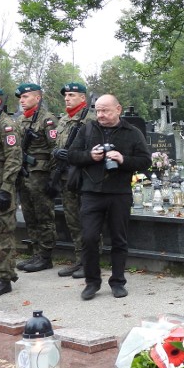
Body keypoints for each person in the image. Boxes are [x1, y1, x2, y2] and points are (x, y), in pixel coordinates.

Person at [68, 94, 151, 300]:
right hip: (91, 193)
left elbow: (145, 161)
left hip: (119, 193)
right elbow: (71, 155)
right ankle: (92, 282)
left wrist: (123, 159)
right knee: (88, 238)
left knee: (119, 239)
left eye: (105, 110)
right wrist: (90, 156)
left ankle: (117, 281)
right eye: (98, 111)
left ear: (118, 109)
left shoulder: (132, 132)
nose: (101, 115)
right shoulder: (87, 129)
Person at [52, 82, 96, 278]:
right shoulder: (63, 120)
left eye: (71, 95)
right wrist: (56, 152)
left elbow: (95, 149)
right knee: (72, 220)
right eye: (66, 95)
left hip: (84, 176)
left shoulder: (91, 120)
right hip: (65, 176)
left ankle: (91, 261)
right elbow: (55, 143)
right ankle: (79, 259)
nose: (67, 98)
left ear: (83, 98)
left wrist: (71, 155)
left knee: (88, 220)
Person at [14, 83, 58, 273]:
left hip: (40, 175)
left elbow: (55, 150)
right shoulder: (20, 120)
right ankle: (36, 253)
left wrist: (53, 178)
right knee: (29, 215)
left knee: (43, 215)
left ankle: (46, 256)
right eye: (21, 98)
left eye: (26, 97)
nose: (22, 101)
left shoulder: (47, 120)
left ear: (37, 98)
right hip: (24, 174)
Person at [0, 87, 21, 298]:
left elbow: (14, 158)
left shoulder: (6, 125)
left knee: (2, 232)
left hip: (0, 186)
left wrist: (6, 189)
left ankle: (4, 277)